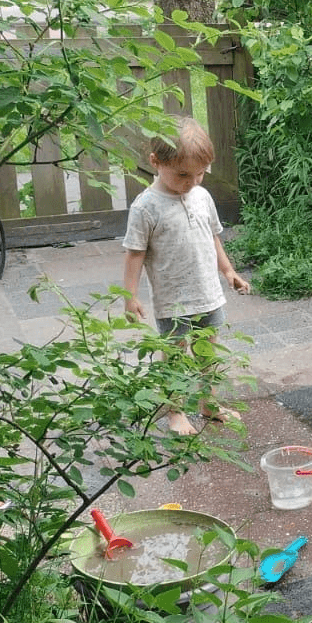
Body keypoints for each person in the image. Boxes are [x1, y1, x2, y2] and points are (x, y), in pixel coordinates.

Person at [122, 116, 251, 435]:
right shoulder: (146, 207)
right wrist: (130, 296)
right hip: (174, 302)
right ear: (155, 162)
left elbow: (213, 236)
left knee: (208, 352)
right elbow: (134, 253)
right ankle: (175, 412)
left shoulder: (202, 197)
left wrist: (229, 270)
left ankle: (208, 402)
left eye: (200, 174)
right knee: (175, 357)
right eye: (182, 174)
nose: (192, 182)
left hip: (209, 294)